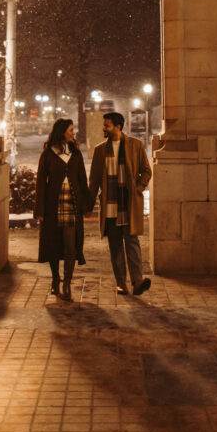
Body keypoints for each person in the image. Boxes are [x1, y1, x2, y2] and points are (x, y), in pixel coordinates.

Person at [89, 111, 152, 296]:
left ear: (118, 126)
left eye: (107, 125)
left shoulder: (135, 145)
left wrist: (138, 189)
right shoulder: (100, 150)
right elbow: (93, 181)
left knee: (132, 242)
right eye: (104, 125)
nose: (104, 129)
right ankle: (121, 283)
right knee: (115, 245)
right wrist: (89, 204)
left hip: (128, 203)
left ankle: (137, 280)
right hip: (109, 204)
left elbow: (146, 171)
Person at [34, 117, 90, 301]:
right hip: (53, 205)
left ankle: (67, 282)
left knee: (70, 245)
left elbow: (82, 179)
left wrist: (86, 204)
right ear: (62, 132)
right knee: (52, 243)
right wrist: (40, 210)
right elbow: (41, 183)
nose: (73, 133)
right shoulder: (48, 154)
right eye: (70, 130)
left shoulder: (75, 153)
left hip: (72, 204)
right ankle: (55, 279)